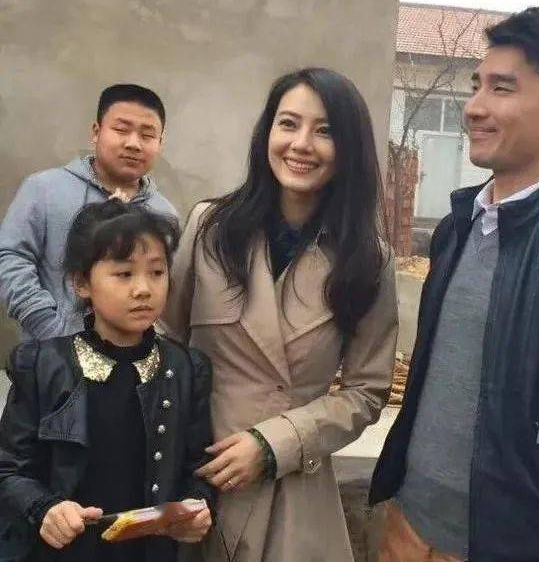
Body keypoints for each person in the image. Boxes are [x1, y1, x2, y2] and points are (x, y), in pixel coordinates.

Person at [370, 6, 539, 562]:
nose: (474, 106)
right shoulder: (457, 227)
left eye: (502, 88)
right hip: (408, 524)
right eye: (477, 85)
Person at [161, 67, 399, 561]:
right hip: (192, 478)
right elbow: (164, 340)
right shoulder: (210, 227)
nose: (301, 144)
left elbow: (366, 390)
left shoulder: (367, 259)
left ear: (349, 147)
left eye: (325, 131)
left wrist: (275, 445)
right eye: (288, 123)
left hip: (291, 486)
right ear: (267, 131)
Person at [0, 201, 213, 562]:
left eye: (157, 272)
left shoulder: (186, 368)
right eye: (124, 274)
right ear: (82, 283)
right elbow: (9, 468)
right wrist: (45, 508)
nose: (143, 289)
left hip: (150, 553)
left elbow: (198, 467)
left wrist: (197, 507)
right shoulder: (43, 365)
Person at [0, 83, 177, 341]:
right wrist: (48, 327)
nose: (133, 144)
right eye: (121, 130)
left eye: (147, 135)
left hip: (135, 357)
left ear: (160, 143)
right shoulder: (45, 189)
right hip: (52, 352)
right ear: (96, 131)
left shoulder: (164, 213)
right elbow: (10, 257)